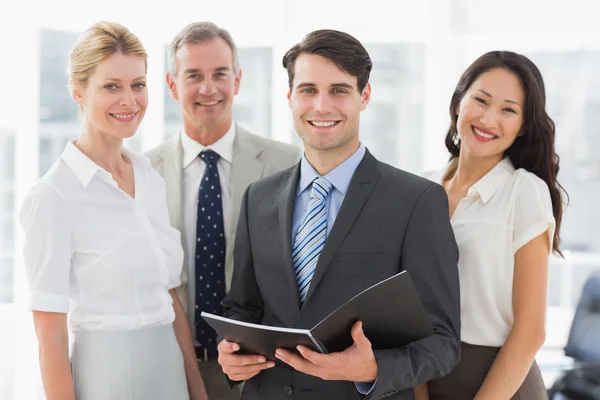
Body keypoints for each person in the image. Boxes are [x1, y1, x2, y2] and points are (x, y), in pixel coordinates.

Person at [217, 29, 461, 400]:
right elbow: (243, 308)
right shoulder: (258, 199)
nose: (321, 106)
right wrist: (231, 353)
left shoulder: (416, 201)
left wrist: (373, 369)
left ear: (364, 96)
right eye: (308, 90)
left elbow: (443, 341)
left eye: (339, 90)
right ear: (290, 97)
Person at [19, 21, 207, 400]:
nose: (130, 100)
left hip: (169, 371)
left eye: (138, 84)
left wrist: (196, 389)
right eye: (111, 86)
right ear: (77, 92)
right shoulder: (54, 196)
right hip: (108, 378)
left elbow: (168, 299)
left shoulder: (149, 178)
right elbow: (50, 341)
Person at [146, 21, 302, 399]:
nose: (208, 88)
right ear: (171, 85)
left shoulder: (288, 163)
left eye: (220, 74)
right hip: (169, 367)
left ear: (238, 80)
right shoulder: (142, 172)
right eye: (194, 76)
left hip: (262, 370)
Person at [420, 51, 565, 399]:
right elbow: (409, 307)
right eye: (480, 101)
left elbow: (531, 330)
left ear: (523, 126)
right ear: (458, 103)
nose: (488, 119)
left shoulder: (524, 192)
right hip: (426, 372)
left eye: (508, 110)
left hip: (502, 386)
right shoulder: (419, 190)